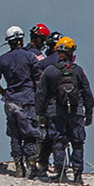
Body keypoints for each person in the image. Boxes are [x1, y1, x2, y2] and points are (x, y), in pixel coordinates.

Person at [36, 37, 94, 185]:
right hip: (76, 112)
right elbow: (87, 92)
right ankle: (77, 175)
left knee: (58, 142)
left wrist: (41, 113)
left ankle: (60, 173)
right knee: (78, 142)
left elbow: (41, 94)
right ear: (71, 53)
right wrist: (89, 112)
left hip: (56, 112)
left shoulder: (49, 71)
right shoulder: (78, 71)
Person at [0, 26, 42, 178]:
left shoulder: (2, 59)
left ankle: (19, 168)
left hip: (10, 101)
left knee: (15, 136)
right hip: (27, 100)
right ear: (21, 39)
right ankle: (31, 168)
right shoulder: (30, 57)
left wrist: (3, 92)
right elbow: (38, 79)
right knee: (30, 135)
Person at [34, 31, 62, 174]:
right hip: (65, 107)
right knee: (61, 138)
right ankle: (60, 168)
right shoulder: (73, 67)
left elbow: (39, 88)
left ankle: (42, 163)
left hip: (48, 105)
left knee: (45, 136)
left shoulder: (45, 64)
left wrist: (38, 108)